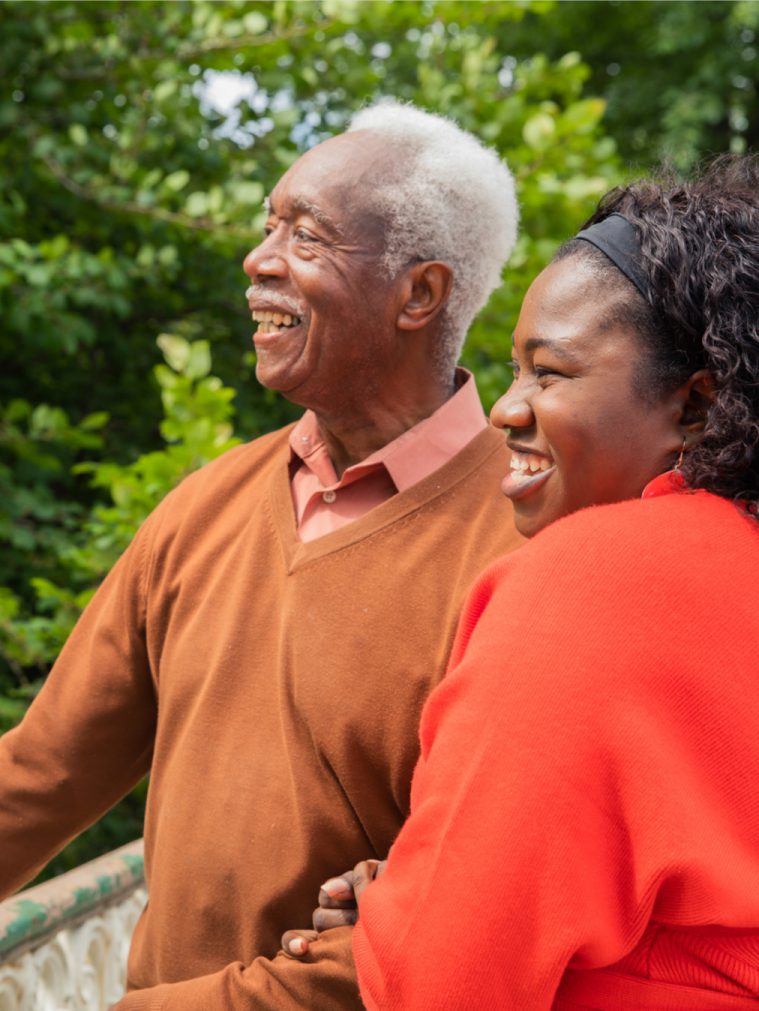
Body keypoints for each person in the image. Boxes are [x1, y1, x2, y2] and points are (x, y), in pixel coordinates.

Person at [0, 102, 524, 1008]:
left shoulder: (523, 544)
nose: (259, 258)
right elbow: (39, 778)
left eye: (309, 235)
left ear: (419, 295)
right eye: (268, 223)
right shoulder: (202, 508)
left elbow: (456, 916)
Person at [287, 155, 759, 1009]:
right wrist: (419, 889)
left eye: (552, 372)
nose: (506, 408)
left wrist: (398, 924)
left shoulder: (594, 581)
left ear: (692, 407)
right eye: (512, 369)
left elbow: (443, 980)